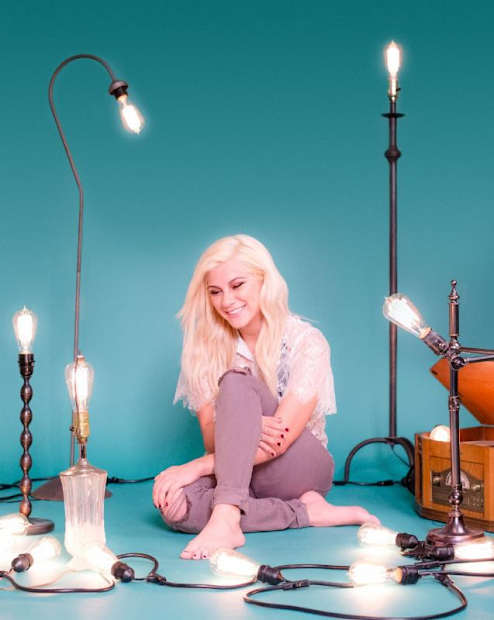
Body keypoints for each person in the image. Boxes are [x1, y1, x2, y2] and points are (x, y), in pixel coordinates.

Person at [153, 234, 379, 560]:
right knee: (174, 506)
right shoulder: (202, 350)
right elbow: (213, 439)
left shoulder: (307, 342)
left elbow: (281, 438)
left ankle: (227, 517)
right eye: (215, 291)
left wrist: (196, 465)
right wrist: (247, 425)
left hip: (297, 468)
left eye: (237, 285)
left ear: (264, 280)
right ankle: (304, 513)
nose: (227, 301)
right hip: (239, 475)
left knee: (235, 382)